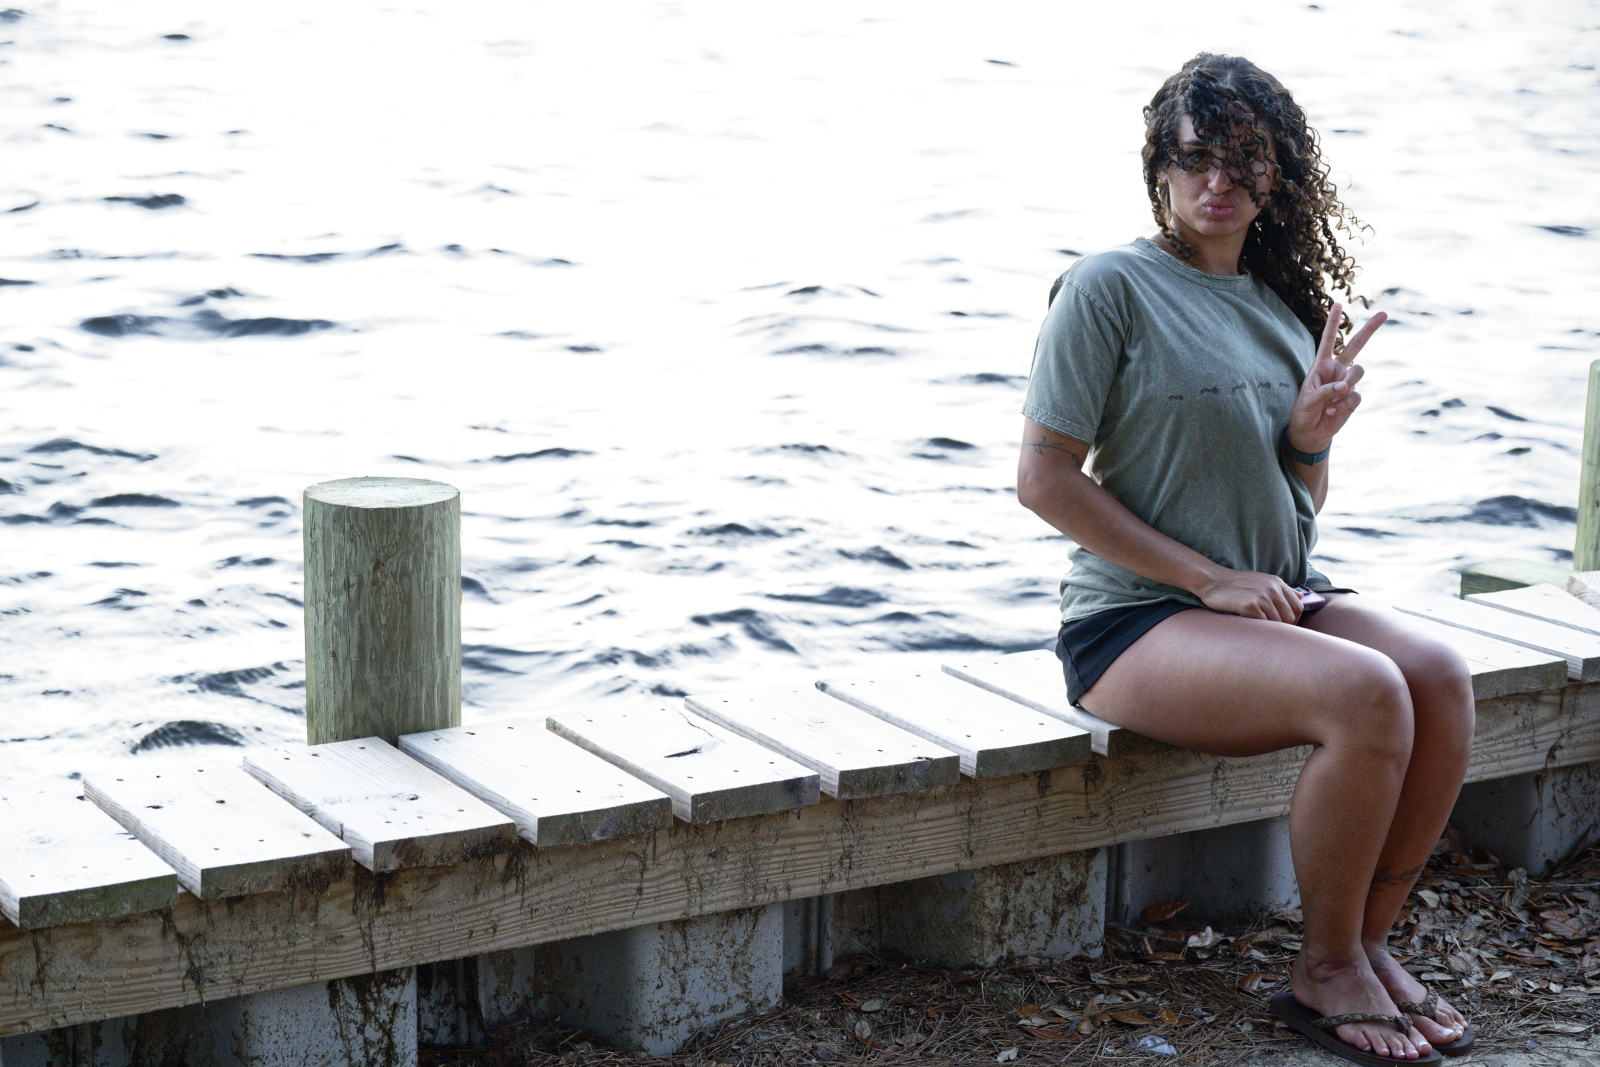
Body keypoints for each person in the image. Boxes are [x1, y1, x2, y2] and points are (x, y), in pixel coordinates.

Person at [1016, 53, 1475, 1064]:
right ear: (1160, 169)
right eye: (1195, 158)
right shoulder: (1107, 287)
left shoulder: (1278, 307)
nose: (1217, 180)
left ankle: (1367, 942)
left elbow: (1297, 504)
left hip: (1270, 598)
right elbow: (1043, 480)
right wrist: (1206, 578)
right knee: (1367, 692)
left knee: (1440, 675)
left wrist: (1308, 440)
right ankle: (1325, 967)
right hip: (1138, 619)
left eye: (1243, 159)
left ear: (1276, 176)